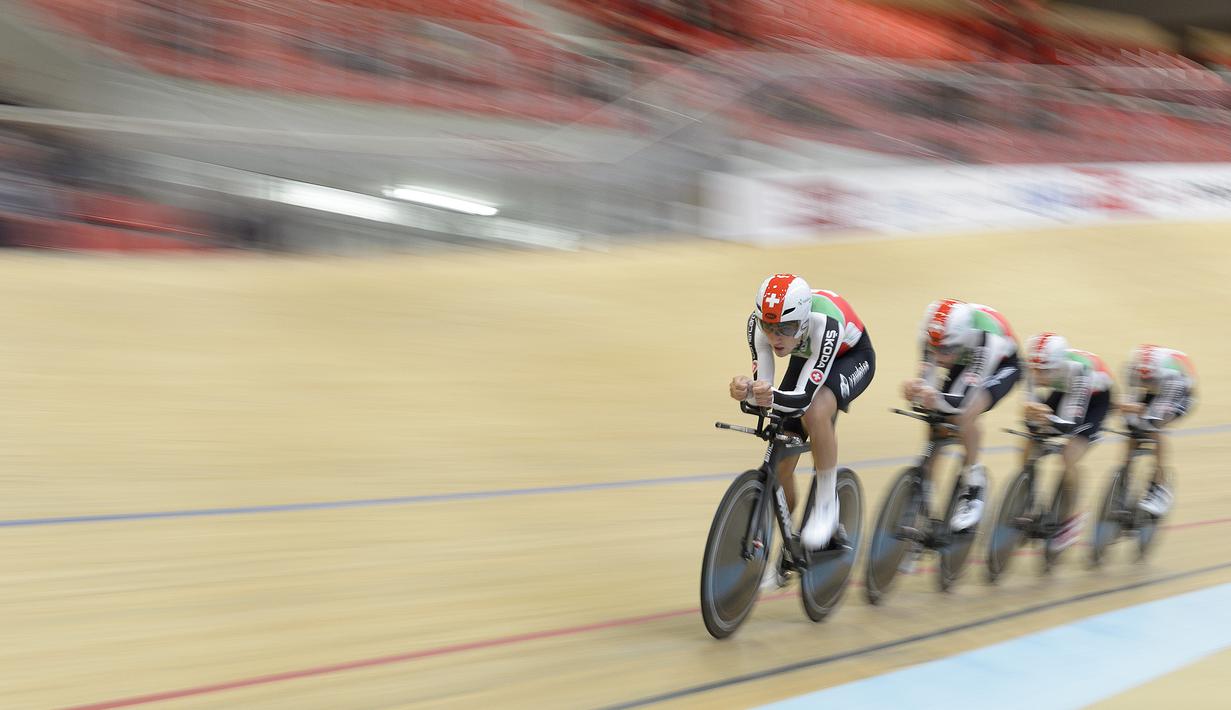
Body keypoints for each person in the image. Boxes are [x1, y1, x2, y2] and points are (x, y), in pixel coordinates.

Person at [728, 274, 876, 586]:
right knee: (782, 454)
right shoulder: (760, 326)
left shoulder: (824, 324)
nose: (775, 337)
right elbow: (765, 388)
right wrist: (746, 389)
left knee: (816, 409)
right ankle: (788, 546)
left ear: (803, 321)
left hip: (849, 356)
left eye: (786, 328)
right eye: (769, 327)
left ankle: (827, 504)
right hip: (807, 354)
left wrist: (765, 395)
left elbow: (804, 397)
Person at [902, 298, 1020, 531]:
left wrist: (934, 397)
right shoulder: (931, 334)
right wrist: (916, 390)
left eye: (946, 350)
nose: (940, 357)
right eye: (935, 349)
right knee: (936, 417)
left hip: (999, 364)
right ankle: (926, 494)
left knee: (965, 413)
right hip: (964, 357)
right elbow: (927, 382)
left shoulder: (986, 339)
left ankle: (973, 483)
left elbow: (963, 401)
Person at [1021, 333, 1115, 552]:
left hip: (1095, 400)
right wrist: (1033, 413)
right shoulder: (1037, 364)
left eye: (1043, 371)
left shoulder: (1078, 371)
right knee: (1031, 440)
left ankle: (1072, 518)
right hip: (1065, 389)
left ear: (1056, 365)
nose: (1037, 375)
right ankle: (1028, 498)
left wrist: (1044, 416)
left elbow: (1070, 424)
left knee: (1069, 455)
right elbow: (1029, 410)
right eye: (1035, 369)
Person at [1119, 345, 1197, 516]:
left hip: (1179, 393)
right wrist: (1130, 415)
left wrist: (1143, 414)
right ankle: (1124, 475)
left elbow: (1156, 416)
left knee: (1154, 428)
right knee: (1132, 428)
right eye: (1143, 380)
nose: (1145, 383)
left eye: (1149, 380)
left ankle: (1160, 487)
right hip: (1158, 384)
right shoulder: (1132, 369)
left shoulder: (1173, 376)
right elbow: (1129, 400)